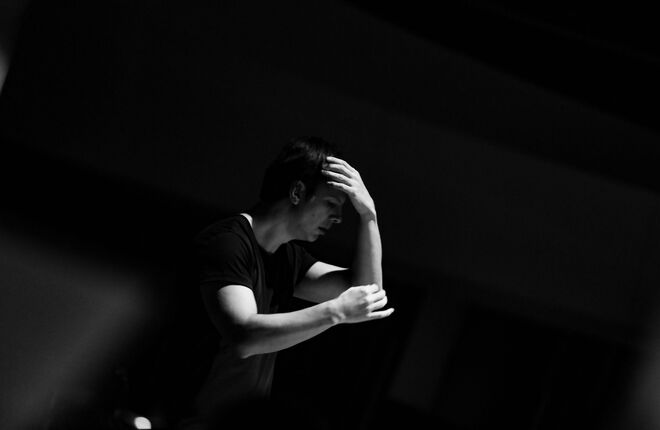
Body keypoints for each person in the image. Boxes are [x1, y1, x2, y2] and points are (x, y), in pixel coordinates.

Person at [179, 136, 393, 429]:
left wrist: (369, 215)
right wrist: (336, 312)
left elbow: (368, 293)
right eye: (331, 203)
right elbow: (245, 336)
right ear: (297, 192)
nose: (338, 218)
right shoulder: (227, 243)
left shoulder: (287, 257)